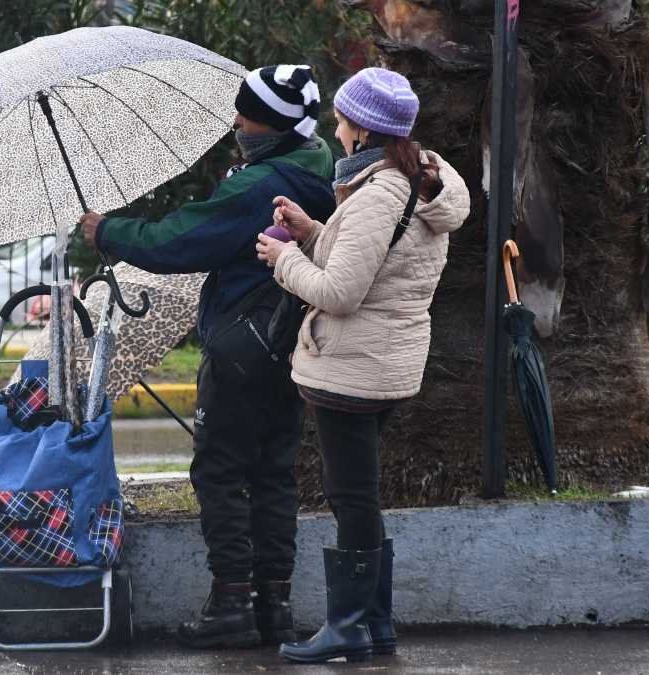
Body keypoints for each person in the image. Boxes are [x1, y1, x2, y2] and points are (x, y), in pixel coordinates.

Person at [79, 65, 336, 649]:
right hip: (293, 348)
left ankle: (230, 605)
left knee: (219, 471)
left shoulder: (257, 188)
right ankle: (274, 604)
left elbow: (179, 240)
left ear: (272, 124)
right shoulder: (318, 162)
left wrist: (107, 232)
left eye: (247, 115)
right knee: (274, 473)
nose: (238, 123)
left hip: (242, 348)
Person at [255, 67, 470, 663]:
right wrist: (314, 230)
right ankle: (374, 626)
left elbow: (342, 293)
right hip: (382, 361)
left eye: (343, 117)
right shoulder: (411, 182)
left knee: (353, 498)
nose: (336, 125)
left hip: (351, 366)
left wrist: (284, 256)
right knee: (360, 495)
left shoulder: (379, 194)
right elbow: (377, 265)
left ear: (361, 128)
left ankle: (349, 626)